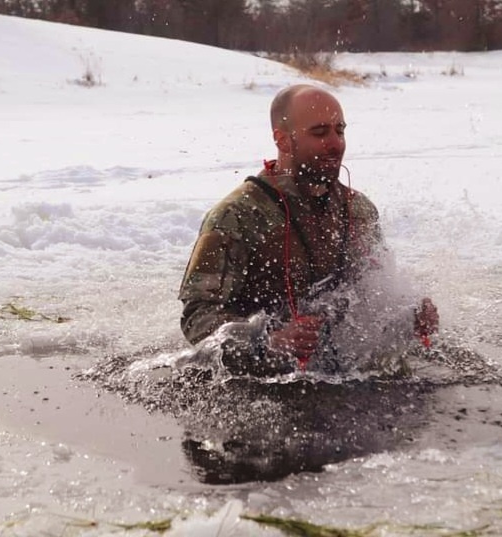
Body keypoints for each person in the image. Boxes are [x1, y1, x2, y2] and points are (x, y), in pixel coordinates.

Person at [178, 84, 438, 376]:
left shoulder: (360, 211)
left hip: (346, 378)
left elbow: (371, 291)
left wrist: (408, 317)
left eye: (339, 130)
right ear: (283, 140)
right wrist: (266, 343)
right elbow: (197, 316)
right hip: (269, 385)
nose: (335, 143)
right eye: (319, 132)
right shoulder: (237, 216)